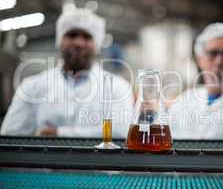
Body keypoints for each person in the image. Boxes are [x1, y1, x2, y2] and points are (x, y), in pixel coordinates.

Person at [1, 8, 134, 137]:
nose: (78, 43)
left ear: (97, 45)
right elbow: (10, 134)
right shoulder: (32, 86)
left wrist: (58, 133)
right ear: (59, 41)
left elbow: (121, 132)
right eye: (72, 35)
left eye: (87, 37)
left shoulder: (118, 87)